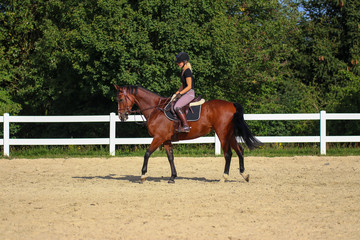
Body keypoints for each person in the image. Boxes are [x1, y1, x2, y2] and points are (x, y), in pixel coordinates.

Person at [172, 52, 195, 133]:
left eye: (179, 62)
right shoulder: (183, 71)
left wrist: (180, 94)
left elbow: (189, 86)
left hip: (189, 93)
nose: (178, 63)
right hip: (185, 92)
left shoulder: (187, 71)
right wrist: (176, 93)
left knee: (177, 107)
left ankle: (186, 126)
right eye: (178, 62)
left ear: (185, 61)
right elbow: (183, 85)